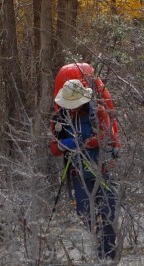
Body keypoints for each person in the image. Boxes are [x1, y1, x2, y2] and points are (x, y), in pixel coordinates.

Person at [49, 78, 118, 262]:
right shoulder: (59, 119)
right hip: (77, 174)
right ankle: (99, 251)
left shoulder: (98, 112)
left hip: (102, 170)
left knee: (108, 212)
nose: (71, 107)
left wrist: (85, 142)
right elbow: (54, 148)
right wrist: (64, 145)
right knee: (85, 213)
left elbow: (107, 135)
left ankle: (109, 256)